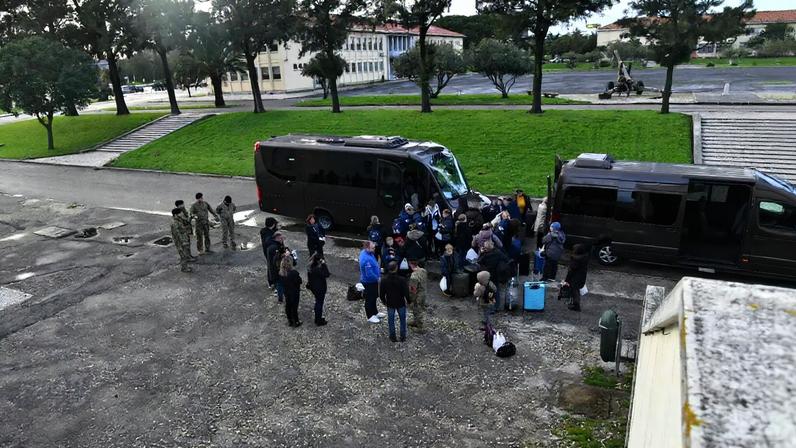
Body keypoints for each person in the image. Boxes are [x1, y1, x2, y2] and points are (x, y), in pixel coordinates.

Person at [380, 261, 411, 342]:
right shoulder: (402, 280)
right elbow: (406, 293)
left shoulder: (383, 280)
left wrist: (384, 301)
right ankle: (403, 337)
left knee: (391, 321)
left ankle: (392, 337)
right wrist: (409, 301)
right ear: (396, 268)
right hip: (400, 303)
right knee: (402, 320)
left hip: (390, 302)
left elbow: (381, 294)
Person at [477, 240, 511, 311]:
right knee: (496, 290)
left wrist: (481, 253)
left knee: (490, 291)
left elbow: (479, 261)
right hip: (496, 274)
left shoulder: (485, 254)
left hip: (487, 275)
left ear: (487, 248)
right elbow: (506, 259)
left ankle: (491, 308)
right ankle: (496, 307)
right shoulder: (498, 252)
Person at [359, 241, 384, 323]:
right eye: (372, 248)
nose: (374, 249)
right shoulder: (366, 259)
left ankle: (375, 313)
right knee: (369, 299)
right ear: (367, 248)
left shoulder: (368, 253)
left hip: (372, 282)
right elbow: (369, 274)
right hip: (369, 282)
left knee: (374, 297)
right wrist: (377, 278)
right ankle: (370, 316)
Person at [563, 244, 589, 312]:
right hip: (581, 277)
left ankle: (576, 306)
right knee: (576, 291)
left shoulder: (575, 259)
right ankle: (575, 304)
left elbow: (571, 271)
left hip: (575, 278)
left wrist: (567, 280)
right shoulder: (584, 258)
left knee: (575, 291)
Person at [307, 252, 330, 325]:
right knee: (319, 303)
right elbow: (327, 274)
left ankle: (318, 318)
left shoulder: (310, 267)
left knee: (318, 302)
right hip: (320, 288)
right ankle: (318, 320)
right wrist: (324, 265)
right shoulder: (317, 270)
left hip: (314, 287)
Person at [280, 256, 303, 327]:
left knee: (288, 305)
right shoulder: (294, 273)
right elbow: (300, 281)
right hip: (294, 292)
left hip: (286, 291)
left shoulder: (281, 273)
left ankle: (290, 320)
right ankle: (296, 321)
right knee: (294, 307)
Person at [408, 260, 428, 333]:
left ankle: (420, 327)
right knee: (419, 308)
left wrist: (411, 299)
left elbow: (413, 290)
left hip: (417, 295)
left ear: (411, 265)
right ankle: (415, 321)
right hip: (424, 293)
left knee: (417, 309)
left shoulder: (413, 276)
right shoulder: (423, 270)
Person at [170, 208, 193, 273]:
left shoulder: (179, 219)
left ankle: (185, 266)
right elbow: (177, 234)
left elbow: (186, 222)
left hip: (183, 238)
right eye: (180, 213)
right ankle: (184, 268)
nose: (182, 214)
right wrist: (183, 242)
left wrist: (190, 217)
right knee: (183, 255)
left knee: (184, 254)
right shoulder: (174, 223)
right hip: (180, 241)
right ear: (176, 214)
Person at [267, 232, 287, 302]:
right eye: (281, 238)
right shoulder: (275, 248)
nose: (282, 240)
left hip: (274, 268)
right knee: (280, 284)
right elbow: (277, 259)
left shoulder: (272, 245)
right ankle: (280, 297)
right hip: (277, 269)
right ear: (277, 238)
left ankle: (280, 296)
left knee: (279, 283)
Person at [260, 217, 279, 287]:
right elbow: (270, 242)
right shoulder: (270, 235)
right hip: (271, 252)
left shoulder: (264, 231)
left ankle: (271, 282)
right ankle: (272, 282)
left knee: (270, 265)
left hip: (266, 251)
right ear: (273, 224)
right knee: (272, 266)